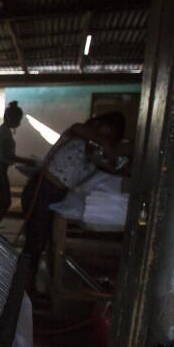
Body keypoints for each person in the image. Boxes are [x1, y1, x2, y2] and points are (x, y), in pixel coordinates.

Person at [19, 112, 127, 279]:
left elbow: (111, 167)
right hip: (41, 191)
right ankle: (23, 286)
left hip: (54, 195)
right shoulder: (78, 133)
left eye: (112, 135)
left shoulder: (94, 152)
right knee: (35, 242)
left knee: (44, 242)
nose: (107, 136)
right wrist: (107, 145)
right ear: (98, 124)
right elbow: (79, 128)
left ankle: (32, 284)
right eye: (107, 130)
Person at [0, 101, 36, 231]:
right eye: (18, 119)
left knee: (2, 201)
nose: (19, 123)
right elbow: (9, 155)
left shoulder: (5, 131)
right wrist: (27, 161)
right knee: (2, 201)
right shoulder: (4, 132)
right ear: (10, 118)